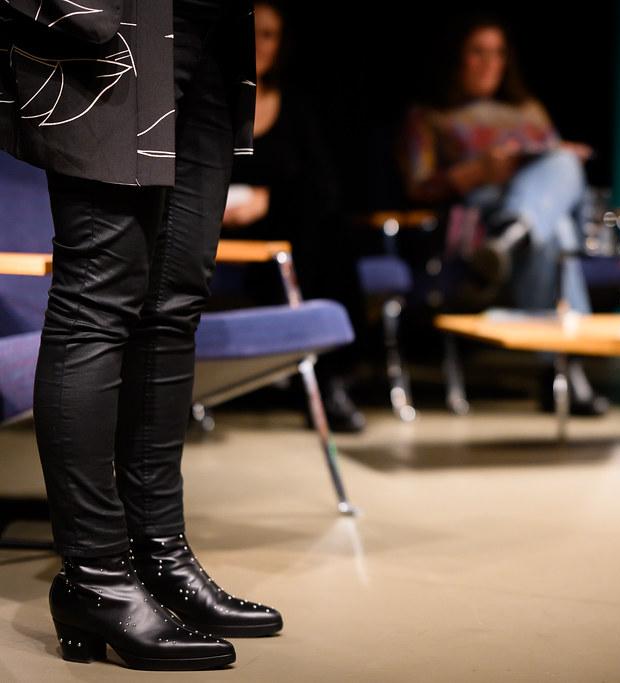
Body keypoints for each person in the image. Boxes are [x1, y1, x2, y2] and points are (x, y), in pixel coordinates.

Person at [0, 0, 281, 671]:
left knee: (174, 300)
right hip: (120, 16)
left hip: (212, 24)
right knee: (97, 298)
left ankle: (159, 556)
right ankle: (95, 577)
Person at [401, 15, 606, 415]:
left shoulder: (528, 109)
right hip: (474, 222)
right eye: (477, 52)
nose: (489, 63)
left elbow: (556, 168)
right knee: (556, 233)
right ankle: (565, 368)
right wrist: (479, 170)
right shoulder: (429, 115)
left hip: (530, 216)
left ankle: (514, 234)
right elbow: (417, 187)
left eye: (497, 53)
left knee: (563, 167)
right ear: (455, 57)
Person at [217, 0, 366, 433]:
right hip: (210, 228)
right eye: (251, 31)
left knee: (327, 225)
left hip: (283, 237)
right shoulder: (205, 103)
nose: (258, 44)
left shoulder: (295, 107)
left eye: (269, 35)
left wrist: (268, 199)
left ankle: (330, 377)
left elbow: (323, 185)